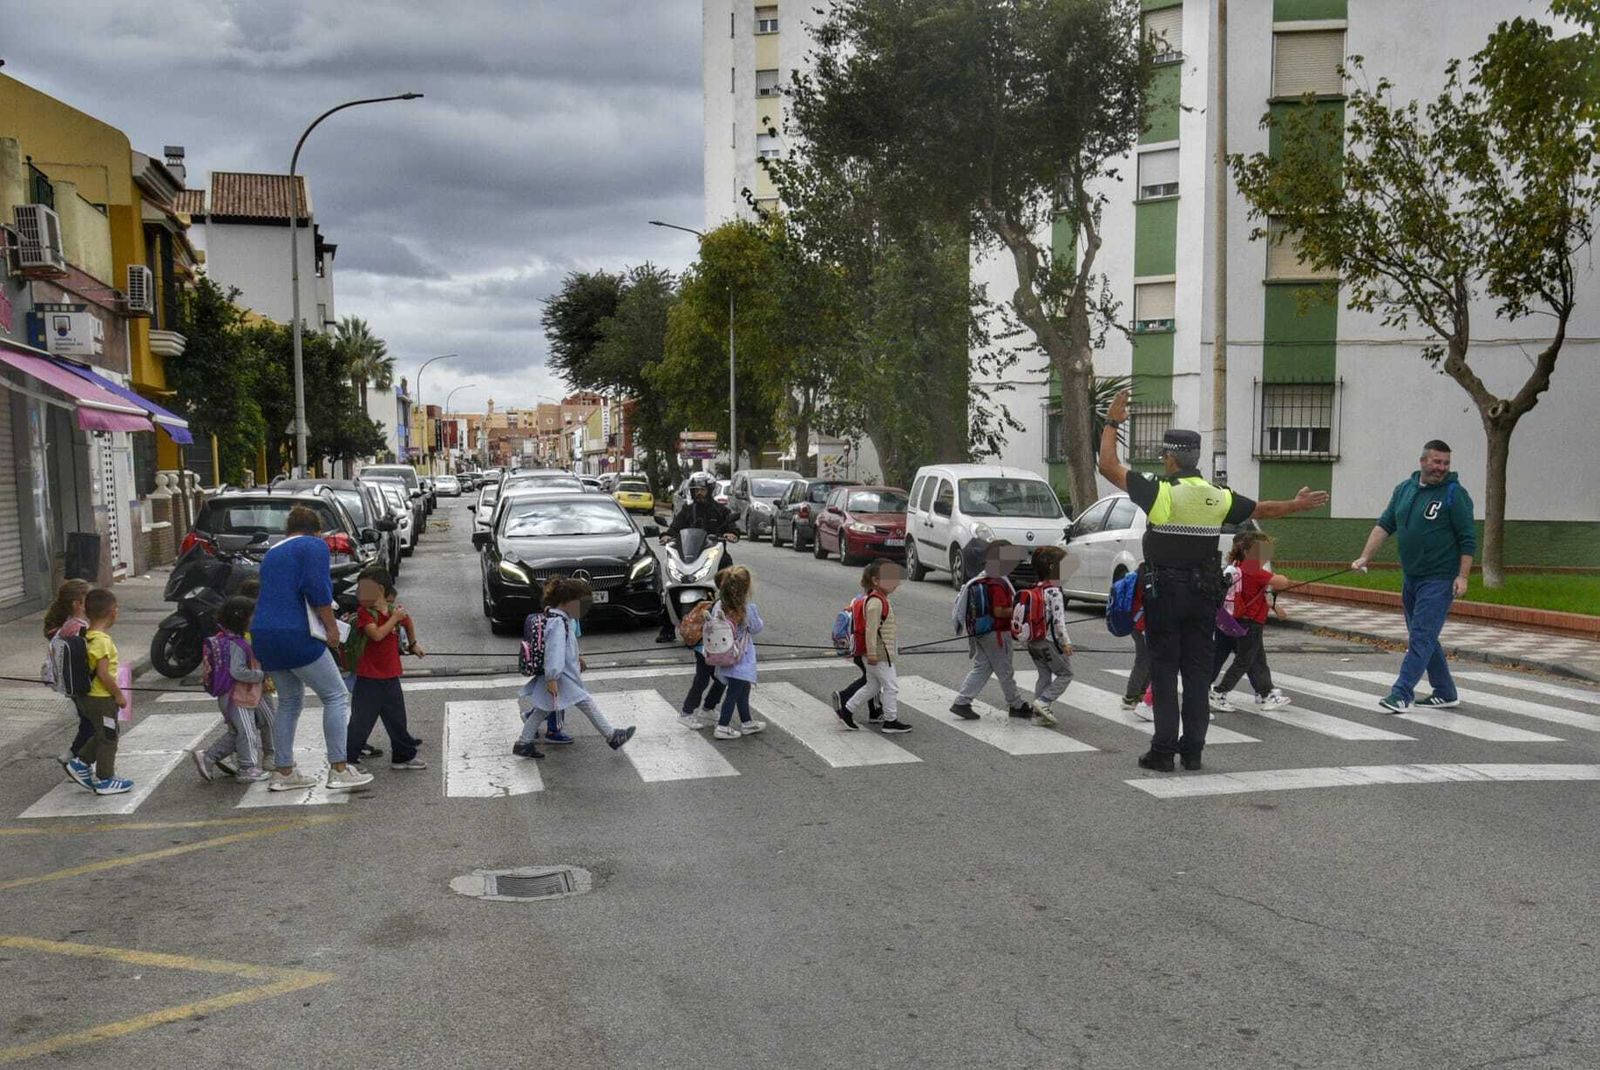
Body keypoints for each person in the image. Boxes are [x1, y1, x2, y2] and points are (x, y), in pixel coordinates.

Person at [1098, 388, 1329, 773]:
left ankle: (1162, 751)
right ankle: (1193, 752)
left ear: (1169, 458)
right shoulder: (1217, 496)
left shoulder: (1161, 492)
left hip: (1166, 595)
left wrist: (1111, 423)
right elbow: (1263, 508)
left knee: (1165, 671)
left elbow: (1108, 466)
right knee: (1196, 673)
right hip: (1204, 596)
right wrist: (1296, 504)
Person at [250, 505, 372, 793]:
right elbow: (317, 590)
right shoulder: (314, 546)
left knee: (290, 702)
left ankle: (283, 770)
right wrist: (331, 628)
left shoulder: (273, 552)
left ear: (288, 529)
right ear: (316, 530)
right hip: (296, 633)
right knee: (336, 695)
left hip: (264, 634)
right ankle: (339, 768)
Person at [1351, 439, 1476, 713]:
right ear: (1423, 461)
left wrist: (1462, 576)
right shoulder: (1404, 490)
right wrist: (1365, 557)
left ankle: (1401, 694)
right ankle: (1445, 691)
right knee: (1424, 636)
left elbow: (1468, 538)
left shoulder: (1454, 495)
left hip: (1440, 579)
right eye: (1436, 462)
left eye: (1446, 463)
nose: (1441, 468)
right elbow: (1384, 525)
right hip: (1412, 577)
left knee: (1421, 636)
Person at [517, 576, 636, 751]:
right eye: (582, 604)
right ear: (567, 602)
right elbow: (554, 652)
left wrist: (577, 658)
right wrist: (552, 678)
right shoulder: (558, 623)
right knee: (586, 702)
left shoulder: (561, 620)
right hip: (561, 676)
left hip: (559, 675)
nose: (584, 609)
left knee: (541, 710)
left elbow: (565, 646)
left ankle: (523, 743)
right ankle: (612, 736)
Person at [346, 571, 427, 771]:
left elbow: (408, 622)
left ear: (380, 590)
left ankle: (403, 755)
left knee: (397, 719)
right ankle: (349, 759)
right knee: (361, 721)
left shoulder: (392, 610)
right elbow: (376, 635)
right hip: (368, 677)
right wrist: (394, 618)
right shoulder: (365, 613)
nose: (359, 593)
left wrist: (413, 644)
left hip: (390, 675)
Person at [1209, 532, 1293, 712]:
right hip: (1250, 622)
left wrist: (1274, 606)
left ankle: (1265, 693)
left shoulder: (1236, 566)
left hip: (1231, 620)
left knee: (1254, 659)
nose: (1265, 555)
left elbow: (1256, 593)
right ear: (1247, 552)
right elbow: (1282, 582)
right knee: (1244, 661)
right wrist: (1279, 577)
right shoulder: (1253, 569)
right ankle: (1219, 692)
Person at [949, 539, 1031, 721]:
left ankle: (962, 702)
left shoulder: (984, 578)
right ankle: (1016, 705)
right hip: (997, 632)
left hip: (982, 631)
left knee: (982, 667)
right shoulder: (997, 583)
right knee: (1005, 670)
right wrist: (1021, 611)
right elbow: (1000, 611)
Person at [193, 596, 271, 782]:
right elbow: (237, 672)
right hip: (237, 696)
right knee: (247, 731)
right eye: (252, 615)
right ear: (242, 618)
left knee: (238, 732)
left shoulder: (229, 639)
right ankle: (247, 767)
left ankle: (208, 757)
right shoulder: (237, 644)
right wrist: (261, 675)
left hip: (236, 695)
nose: (255, 619)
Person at [656, 472, 741, 642]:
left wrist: (731, 533)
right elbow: (675, 527)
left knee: (731, 580)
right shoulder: (687, 511)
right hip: (690, 555)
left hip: (715, 554)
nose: (698, 493)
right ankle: (667, 627)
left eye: (701, 490)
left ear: (709, 490)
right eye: (695, 490)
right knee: (673, 584)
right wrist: (667, 535)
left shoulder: (721, 510)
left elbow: (732, 527)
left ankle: (735, 621)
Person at [69, 589, 132, 795]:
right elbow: (104, 674)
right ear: (113, 613)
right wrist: (119, 695)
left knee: (104, 732)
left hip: (86, 697)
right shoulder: (103, 641)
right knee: (109, 737)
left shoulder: (86, 636)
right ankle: (105, 779)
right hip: (101, 697)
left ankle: (81, 762)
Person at [843, 560, 912, 734]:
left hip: (880, 653)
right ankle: (890, 721)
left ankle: (847, 709)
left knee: (872, 686)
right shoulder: (876, 602)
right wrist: (872, 653)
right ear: (875, 581)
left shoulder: (879, 600)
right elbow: (870, 630)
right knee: (891, 686)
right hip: (879, 654)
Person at [708, 566, 767, 740]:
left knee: (743, 689)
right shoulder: (748, 607)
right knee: (734, 692)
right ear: (746, 587)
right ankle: (723, 726)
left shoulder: (719, 605)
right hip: (742, 657)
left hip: (725, 655)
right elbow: (756, 628)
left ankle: (747, 721)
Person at [44, 579, 92, 773]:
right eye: (88, 599)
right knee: (92, 723)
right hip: (81, 682)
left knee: (88, 721)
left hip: (71, 682)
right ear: (78, 603)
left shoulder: (67, 625)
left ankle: (74, 756)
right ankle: (76, 759)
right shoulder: (77, 627)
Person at [1024, 546, 1074, 729]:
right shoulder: (1054, 591)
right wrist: (1066, 643)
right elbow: (1059, 622)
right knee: (1066, 673)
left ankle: (1038, 714)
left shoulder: (1037, 588)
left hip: (1033, 642)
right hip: (1050, 642)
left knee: (1044, 675)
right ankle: (1044, 702)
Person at [677, 598, 726, 730]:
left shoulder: (721, 602)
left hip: (710, 648)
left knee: (720, 678)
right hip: (706, 649)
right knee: (702, 680)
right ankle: (686, 713)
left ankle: (708, 708)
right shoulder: (722, 604)